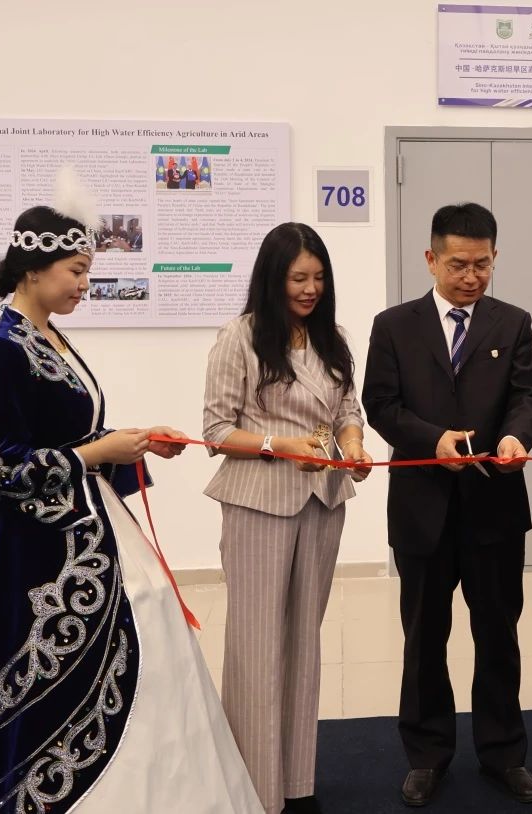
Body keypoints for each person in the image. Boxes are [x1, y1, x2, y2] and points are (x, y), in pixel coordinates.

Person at [0, 168, 261, 813]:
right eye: (77, 271)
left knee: (149, 618)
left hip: (89, 523)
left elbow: (67, 432)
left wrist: (135, 439)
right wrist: (99, 453)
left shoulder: (49, 337)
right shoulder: (1, 350)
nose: (85, 285)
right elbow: (3, 466)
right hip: (36, 548)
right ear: (34, 270)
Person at [362, 202, 532, 807]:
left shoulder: (512, 322)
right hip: (423, 510)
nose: (471, 277)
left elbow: (527, 397)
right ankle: (427, 755)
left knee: (498, 636)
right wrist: (431, 440)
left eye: (483, 265)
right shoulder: (395, 326)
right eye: (459, 265)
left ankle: (503, 753)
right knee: (423, 638)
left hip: (494, 506)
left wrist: (516, 437)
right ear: (431, 259)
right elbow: (380, 405)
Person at [203, 222, 373, 814]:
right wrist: (281, 445)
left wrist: (353, 447)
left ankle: (297, 784)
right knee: (256, 646)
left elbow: (348, 410)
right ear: (272, 279)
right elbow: (216, 431)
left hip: (323, 502)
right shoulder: (240, 337)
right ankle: (255, 788)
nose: (310, 289)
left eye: (319, 278)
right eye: (298, 278)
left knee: (304, 644)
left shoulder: (332, 338)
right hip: (259, 503)